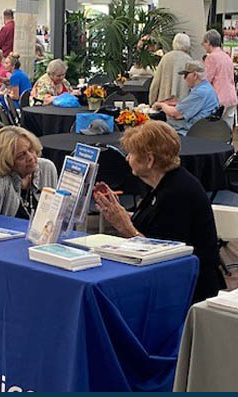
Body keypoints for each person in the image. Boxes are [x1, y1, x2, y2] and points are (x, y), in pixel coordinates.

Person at [93, 121, 225, 304]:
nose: (127, 159)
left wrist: (125, 227)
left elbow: (161, 256)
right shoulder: (164, 184)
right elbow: (153, 221)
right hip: (173, 281)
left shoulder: (177, 193)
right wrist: (119, 213)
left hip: (187, 290)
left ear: (149, 160)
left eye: (131, 153)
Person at [0, 126, 57, 218]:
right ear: (7, 161)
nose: (31, 157)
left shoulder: (47, 168)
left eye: (31, 149)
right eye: (21, 156)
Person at [152, 61, 219, 135]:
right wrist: (170, 103)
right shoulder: (206, 87)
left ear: (194, 75)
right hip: (201, 128)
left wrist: (161, 105)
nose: (184, 78)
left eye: (186, 75)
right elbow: (189, 105)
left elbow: (176, 114)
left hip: (187, 131)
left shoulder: (200, 93)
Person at [202, 29, 238, 130]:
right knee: (227, 130)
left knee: (216, 131)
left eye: (204, 43)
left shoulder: (211, 58)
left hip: (219, 98)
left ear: (208, 42)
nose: (204, 46)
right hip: (231, 97)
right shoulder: (227, 57)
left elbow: (206, 80)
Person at [149, 33, 193, 105]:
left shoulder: (165, 58)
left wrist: (152, 101)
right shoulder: (189, 60)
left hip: (163, 102)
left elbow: (156, 83)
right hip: (182, 104)